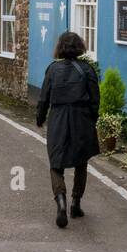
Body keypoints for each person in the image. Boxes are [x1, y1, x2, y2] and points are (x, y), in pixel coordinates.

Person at [35, 31, 100, 228]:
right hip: (81, 119)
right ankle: (75, 203)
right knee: (81, 162)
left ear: (60, 48)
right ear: (79, 47)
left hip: (58, 118)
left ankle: (60, 200)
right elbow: (95, 100)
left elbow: (44, 97)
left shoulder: (52, 70)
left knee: (56, 163)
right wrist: (91, 120)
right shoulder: (87, 69)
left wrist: (40, 118)